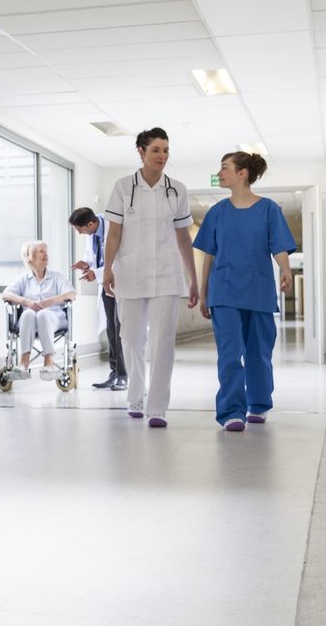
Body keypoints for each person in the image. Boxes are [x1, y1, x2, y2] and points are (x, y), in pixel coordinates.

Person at [102, 127, 199, 428]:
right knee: (130, 339)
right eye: (156, 150)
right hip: (130, 274)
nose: (162, 156)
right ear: (141, 152)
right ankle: (135, 396)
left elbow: (184, 238)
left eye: (166, 150)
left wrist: (193, 278)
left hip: (168, 275)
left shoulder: (177, 189)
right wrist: (107, 269)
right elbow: (114, 232)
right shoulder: (122, 187)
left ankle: (157, 407)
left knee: (163, 341)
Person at [193, 152, 296, 432]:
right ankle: (231, 411)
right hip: (224, 291)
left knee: (259, 352)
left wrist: (286, 270)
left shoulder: (268, 209)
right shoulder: (217, 212)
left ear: (242, 174)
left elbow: (279, 246)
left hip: (258, 290)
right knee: (229, 352)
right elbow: (209, 257)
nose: (220, 173)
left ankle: (258, 404)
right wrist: (204, 294)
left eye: (224, 168)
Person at [70, 207, 126, 390]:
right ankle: (114, 372)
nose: (80, 233)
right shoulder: (92, 233)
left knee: (120, 329)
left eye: (80, 229)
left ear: (91, 224)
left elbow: (119, 259)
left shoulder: (114, 227)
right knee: (111, 329)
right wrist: (87, 265)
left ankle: (123, 375)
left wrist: (97, 272)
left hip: (120, 282)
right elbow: (96, 258)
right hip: (106, 285)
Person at [2, 241, 76, 378]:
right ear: (30, 257)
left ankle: (49, 362)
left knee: (42, 314)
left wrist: (50, 301)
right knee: (28, 313)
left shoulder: (56, 277)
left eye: (46, 251)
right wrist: (26, 301)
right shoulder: (24, 279)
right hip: (28, 323)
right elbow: (6, 294)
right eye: (41, 251)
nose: (46, 254)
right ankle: (24, 362)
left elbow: (72, 294)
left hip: (54, 318)